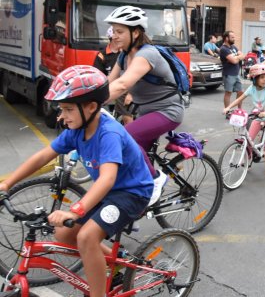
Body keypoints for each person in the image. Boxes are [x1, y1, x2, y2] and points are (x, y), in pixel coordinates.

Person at [0, 65, 153, 297]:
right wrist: (6, 184)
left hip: (131, 194)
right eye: (61, 109)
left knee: (86, 236)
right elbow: (42, 157)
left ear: (91, 107)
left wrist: (75, 210)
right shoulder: (76, 129)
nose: (62, 116)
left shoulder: (108, 133)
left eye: (68, 109)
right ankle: (116, 259)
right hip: (109, 193)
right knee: (64, 234)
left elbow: (107, 179)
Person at [104, 5, 180, 195]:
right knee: (128, 162)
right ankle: (132, 217)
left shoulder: (147, 54)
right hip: (145, 112)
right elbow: (108, 83)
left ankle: (156, 179)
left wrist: (91, 102)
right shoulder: (123, 56)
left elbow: (122, 84)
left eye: (120, 31)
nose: (114, 36)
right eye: (113, 31)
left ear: (135, 32)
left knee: (125, 138)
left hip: (167, 111)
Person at [222, 64, 265, 182]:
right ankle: (248, 157)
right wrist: (228, 108)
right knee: (248, 140)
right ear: (254, 78)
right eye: (261, 77)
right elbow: (239, 99)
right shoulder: (251, 88)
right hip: (258, 116)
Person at [93, 27, 133, 125]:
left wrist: (131, 93)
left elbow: (134, 75)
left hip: (128, 87)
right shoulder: (102, 55)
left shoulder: (126, 54)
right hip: (113, 87)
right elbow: (98, 76)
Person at [219, 30, 246, 109]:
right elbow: (234, 61)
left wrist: (236, 57)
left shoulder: (233, 47)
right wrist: (237, 57)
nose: (234, 39)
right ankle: (227, 110)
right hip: (228, 74)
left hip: (236, 74)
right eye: (232, 37)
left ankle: (239, 110)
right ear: (226, 38)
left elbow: (242, 55)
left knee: (240, 92)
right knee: (228, 93)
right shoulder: (224, 49)